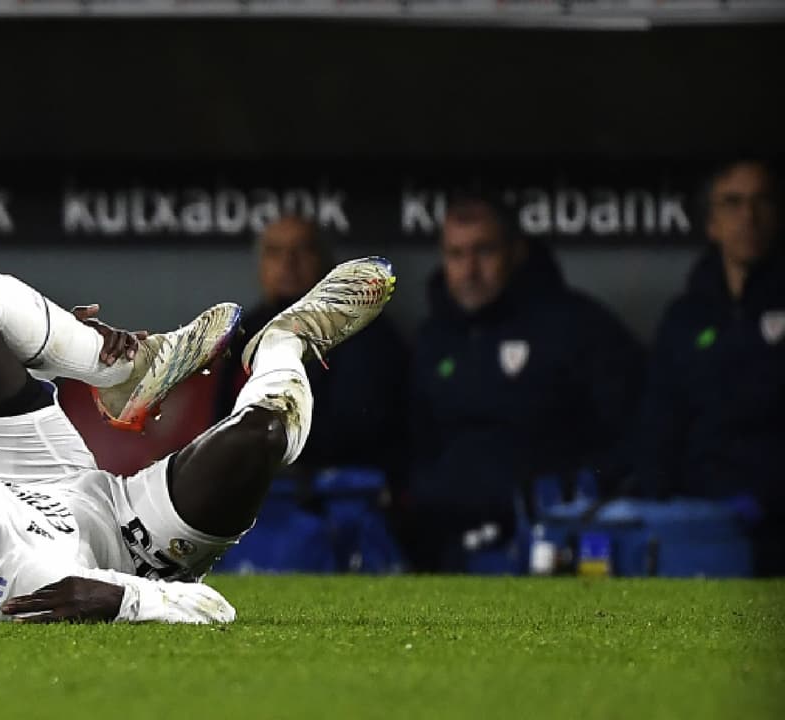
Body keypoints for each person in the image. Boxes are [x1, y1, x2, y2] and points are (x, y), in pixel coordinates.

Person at [0, 256, 396, 622]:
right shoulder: (25, 586)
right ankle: (286, 343)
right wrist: (121, 597)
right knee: (261, 435)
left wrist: (43, 358)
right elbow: (215, 612)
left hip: (10, 463)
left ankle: (122, 370)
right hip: (120, 536)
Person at [405, 191, 644, 572]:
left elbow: (631, 431)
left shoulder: (577, 325)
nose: (469, 270)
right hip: (446, 543)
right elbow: (414, 442)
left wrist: (570, 495)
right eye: (455, 254)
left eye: (484, 251)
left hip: (554, 540)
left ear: (516, 252)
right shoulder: (433, 339)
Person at [637, 159, 784, 575]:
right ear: (712, 224)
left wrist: (768, 499)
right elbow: (659, 421)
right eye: (732, 204)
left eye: (762, 202)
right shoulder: (685, 317)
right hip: (696, 524)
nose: (748, 216)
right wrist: (662, 503)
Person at [216, 216, 407, 475]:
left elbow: (361, 429)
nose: (288, 262)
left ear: (325, 261)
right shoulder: (242, 335)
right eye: (275, 252)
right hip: (260, 486)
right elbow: (220, 427)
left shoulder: (364, 327)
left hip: (343, 488)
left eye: (302, 249)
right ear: (261, 266)